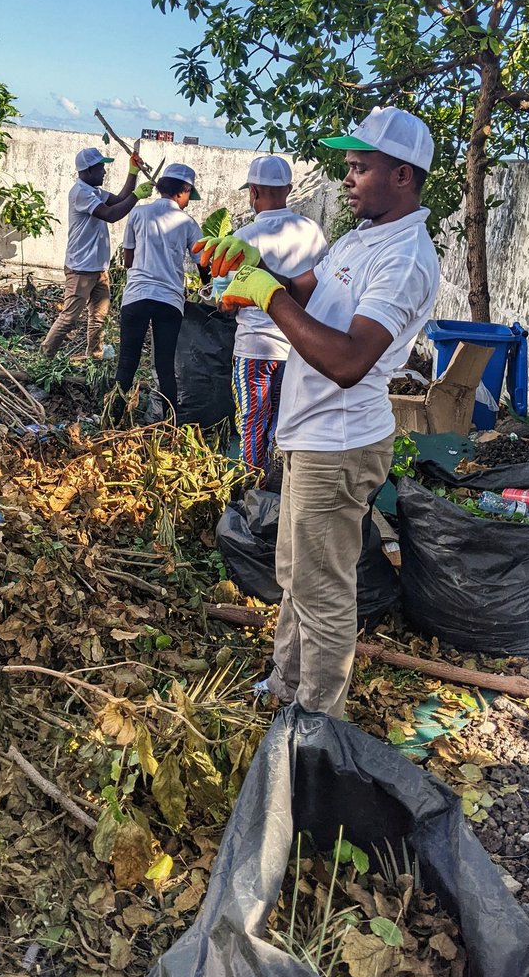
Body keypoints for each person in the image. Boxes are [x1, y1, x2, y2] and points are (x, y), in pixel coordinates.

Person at [196, 107, 440, 719]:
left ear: (404, 175)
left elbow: (351, 358)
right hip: (313, 433)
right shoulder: (363, 236)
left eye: (362, 167)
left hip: (340, 441)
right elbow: (316, 298)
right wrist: (258, 270)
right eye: (348, 165)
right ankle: (286, 684)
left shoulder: (405, 257)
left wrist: (267, 294)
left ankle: (317, 721)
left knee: (323, 588)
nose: (348, 177)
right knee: (295, 571)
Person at [230, 155, 327, 473]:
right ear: (288, 189)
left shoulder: (243, 239)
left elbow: (226, 300)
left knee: (252, 420)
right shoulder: (312, 232)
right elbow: (319, 289)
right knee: (287, 423)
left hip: (254, 348)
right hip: (300, 347)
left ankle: (252, 491)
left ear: (253, 191)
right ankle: (283, 491)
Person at [110, 164, 209, 424]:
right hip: (169, 301)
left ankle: (111, 420)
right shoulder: (187, 223)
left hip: (137, 297)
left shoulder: (139, 213)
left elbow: (129, 259)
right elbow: (202, 262)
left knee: (126, 364)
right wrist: (208, 289)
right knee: (165, 366)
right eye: (189, 194)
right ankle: (171, 426)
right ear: (184, 191)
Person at [41, 147, 153, 359]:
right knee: (70, 317)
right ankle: (45, 356)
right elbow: (111, 214)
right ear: (88, 170)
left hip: (98, 267)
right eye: (101, 167)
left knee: (99, 316)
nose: (104, 171)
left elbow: (120, 199)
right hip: (81, 268)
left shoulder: (94, 192)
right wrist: (137, 196)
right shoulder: (81, 193)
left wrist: (133, 173)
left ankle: (95, 354)